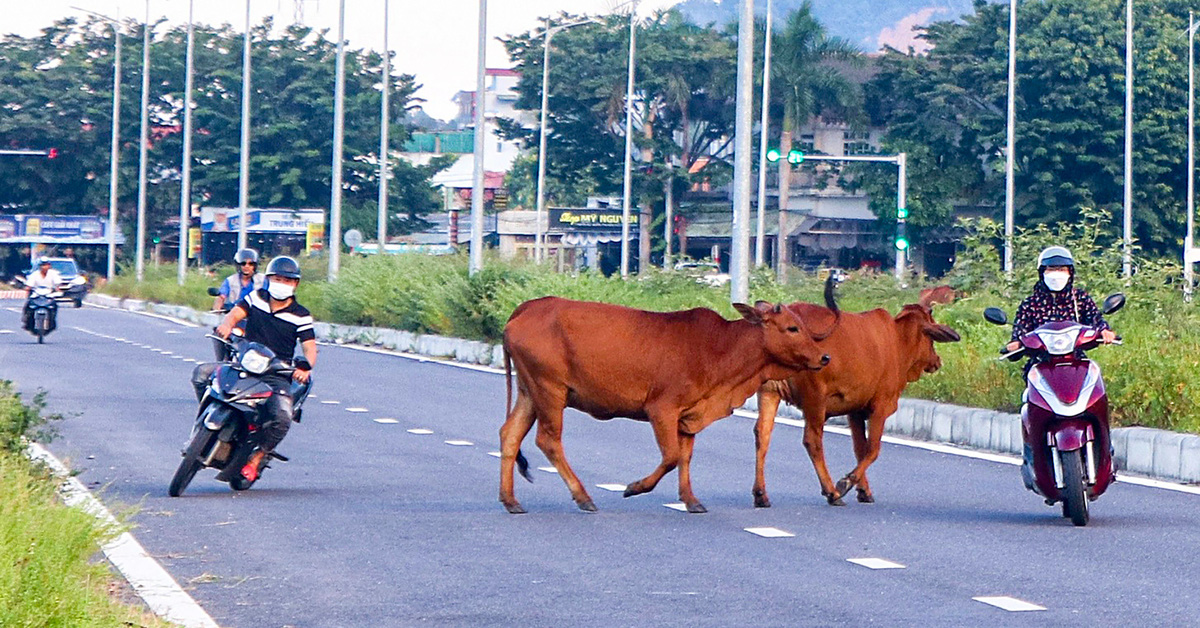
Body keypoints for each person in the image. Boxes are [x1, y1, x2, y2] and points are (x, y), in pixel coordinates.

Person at [191, 256, 318, 483]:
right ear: (268, 279)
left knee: (282, 416)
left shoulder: (301, 315)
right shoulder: (256, 298)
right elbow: (235, 314)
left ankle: (257, 457)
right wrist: (227, 326)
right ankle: (200, 428)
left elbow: (310, 349)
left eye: (287, 280)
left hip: (276, 372)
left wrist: (304, 367)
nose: (281, 283)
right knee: (201, 375)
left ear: (295, 284)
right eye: (277, 279)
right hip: (245, 360)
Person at [1005, 246, 1117, 354]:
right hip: (1041, 361)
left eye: (1061, 269)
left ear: (1070, 273)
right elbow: (1021, 329)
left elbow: (1094, 318)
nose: (1056, 274)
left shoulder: (1079, 298)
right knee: (1031, 373)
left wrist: (1104, 330)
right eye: (1051, 269)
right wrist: (1016, 342)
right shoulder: (1030, 304)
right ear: (1042, 273)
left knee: (1092, 371)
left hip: (1075, 359)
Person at [213, 248, 264, 312]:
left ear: (255, 266)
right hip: (235, 313)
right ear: (238, 265)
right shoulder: (230, 280)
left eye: (251, 264)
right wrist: (217, 310)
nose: (247, 266)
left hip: (257, 315)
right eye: (243, 263)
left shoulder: (263, 280)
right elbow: (221, 297)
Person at [23, 257, 61, 331]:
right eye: (42, 265)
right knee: (28, 306)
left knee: (54, 307)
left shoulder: (54, 274)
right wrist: (28, 289)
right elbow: (29, 285)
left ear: (49, 265)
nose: (44, 267)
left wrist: (58, 290)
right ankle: (27, 322)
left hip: (49, 294)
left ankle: (52, 322)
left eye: (46, 265)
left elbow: (57, 285)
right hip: (36, 294)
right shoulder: (34, 274)